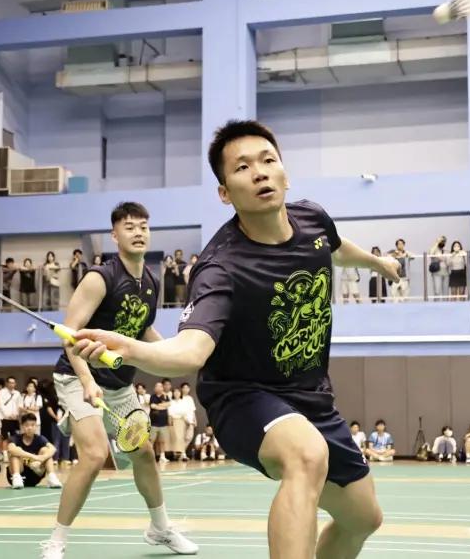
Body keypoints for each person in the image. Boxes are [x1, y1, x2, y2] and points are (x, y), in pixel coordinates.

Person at [70, 120, 403, 559]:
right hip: (243, 396)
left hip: (311, 397)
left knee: (363, 518)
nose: (260, 172)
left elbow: (335, 247)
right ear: (225, 193)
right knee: (306, 456)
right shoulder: (220, 268)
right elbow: (192, 349)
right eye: (243, 167)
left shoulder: (313, 219)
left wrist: (378, 264)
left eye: (268, 160)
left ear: (284, 173)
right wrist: (130, 348)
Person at [42, 201, 197, 558]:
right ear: (115, 236)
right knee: (95, 455)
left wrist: (176, 353)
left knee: (143, 452)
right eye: (129, 227)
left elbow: (143, 329)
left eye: (143, 226)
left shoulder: (150, 282)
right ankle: (56, 541)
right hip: (78, 376)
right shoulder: (100, 278)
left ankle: (160, 528)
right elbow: (70, 335)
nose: (138, 232)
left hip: (120, 384)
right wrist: (86, 380)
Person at [7, 413, 61, 489]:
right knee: (16, 451)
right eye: (27, 425)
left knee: (45, 450)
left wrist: (42, 458)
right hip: (18, 473)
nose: (30, 428)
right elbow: (11, 449)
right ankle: (16, 477)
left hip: (35, 473)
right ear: (22, 426)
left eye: (32, 425)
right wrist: (34, 457)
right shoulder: (15, 438)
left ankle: (52, 477)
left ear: (36, 426)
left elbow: (53, 449)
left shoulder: (40, 438)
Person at [0, 376, 22, 460]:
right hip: (5, 419)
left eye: (13, 383)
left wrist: (16, 414)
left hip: (15, 419)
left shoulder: (17, 393)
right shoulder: (2, 392)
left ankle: (14, 455)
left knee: (15, 437)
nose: (12, 384)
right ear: (7, 383)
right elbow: (0, 405)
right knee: (5, 437)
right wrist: (8, 415)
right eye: (10, 383)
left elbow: (20, 405)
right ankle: (5, 456)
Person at [149, 381, 171, 463]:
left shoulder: (165, 396)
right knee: (151, 440)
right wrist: (162, 406)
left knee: (162, 441)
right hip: (154, 423)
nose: (159, 388)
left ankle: (162, 456)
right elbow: (152, 406)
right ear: (155, 388)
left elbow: (168, 405)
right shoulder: (152, 397)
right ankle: (150, 457)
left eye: (160, 386)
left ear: (162, 388)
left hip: (163, 423)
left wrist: (158, 405)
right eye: (157, 386)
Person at [168, 387, 188, 461]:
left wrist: (178, 414)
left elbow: (184, 411)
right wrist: (174, 415)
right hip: (173, 421)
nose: (176, 393)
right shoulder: (171, 402)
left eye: (178, 392)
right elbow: (170, 412)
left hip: (181, 421)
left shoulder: (183, 402)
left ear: (180, 393)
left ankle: (183, 453)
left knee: (181, 437)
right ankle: (175, 454)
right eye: (175, 392)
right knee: (174, 438)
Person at [429, 236, 449, 300]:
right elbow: (430, 253)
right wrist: (437, 243)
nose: (442, 242)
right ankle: (436, 305)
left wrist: (445, 259)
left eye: (443, 241)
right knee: (437, 291)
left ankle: (446, 305)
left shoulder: (446, 251)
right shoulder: (434, 250)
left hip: (446, 273)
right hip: (437, 273)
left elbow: (449, 261)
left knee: (446, 292)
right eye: (441, 241)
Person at [180, 383, 197, 458]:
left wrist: (195, 420)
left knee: (189, 437)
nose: (186, 389)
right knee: (182, 437)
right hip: (182, 420)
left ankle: (182, 452)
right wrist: (185, 419)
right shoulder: (180, 398)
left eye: (187, 388)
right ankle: (183, 454)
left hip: (191, 420)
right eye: (184, 388)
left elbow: (193, 410)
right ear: (181, 389)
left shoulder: (190, 398)